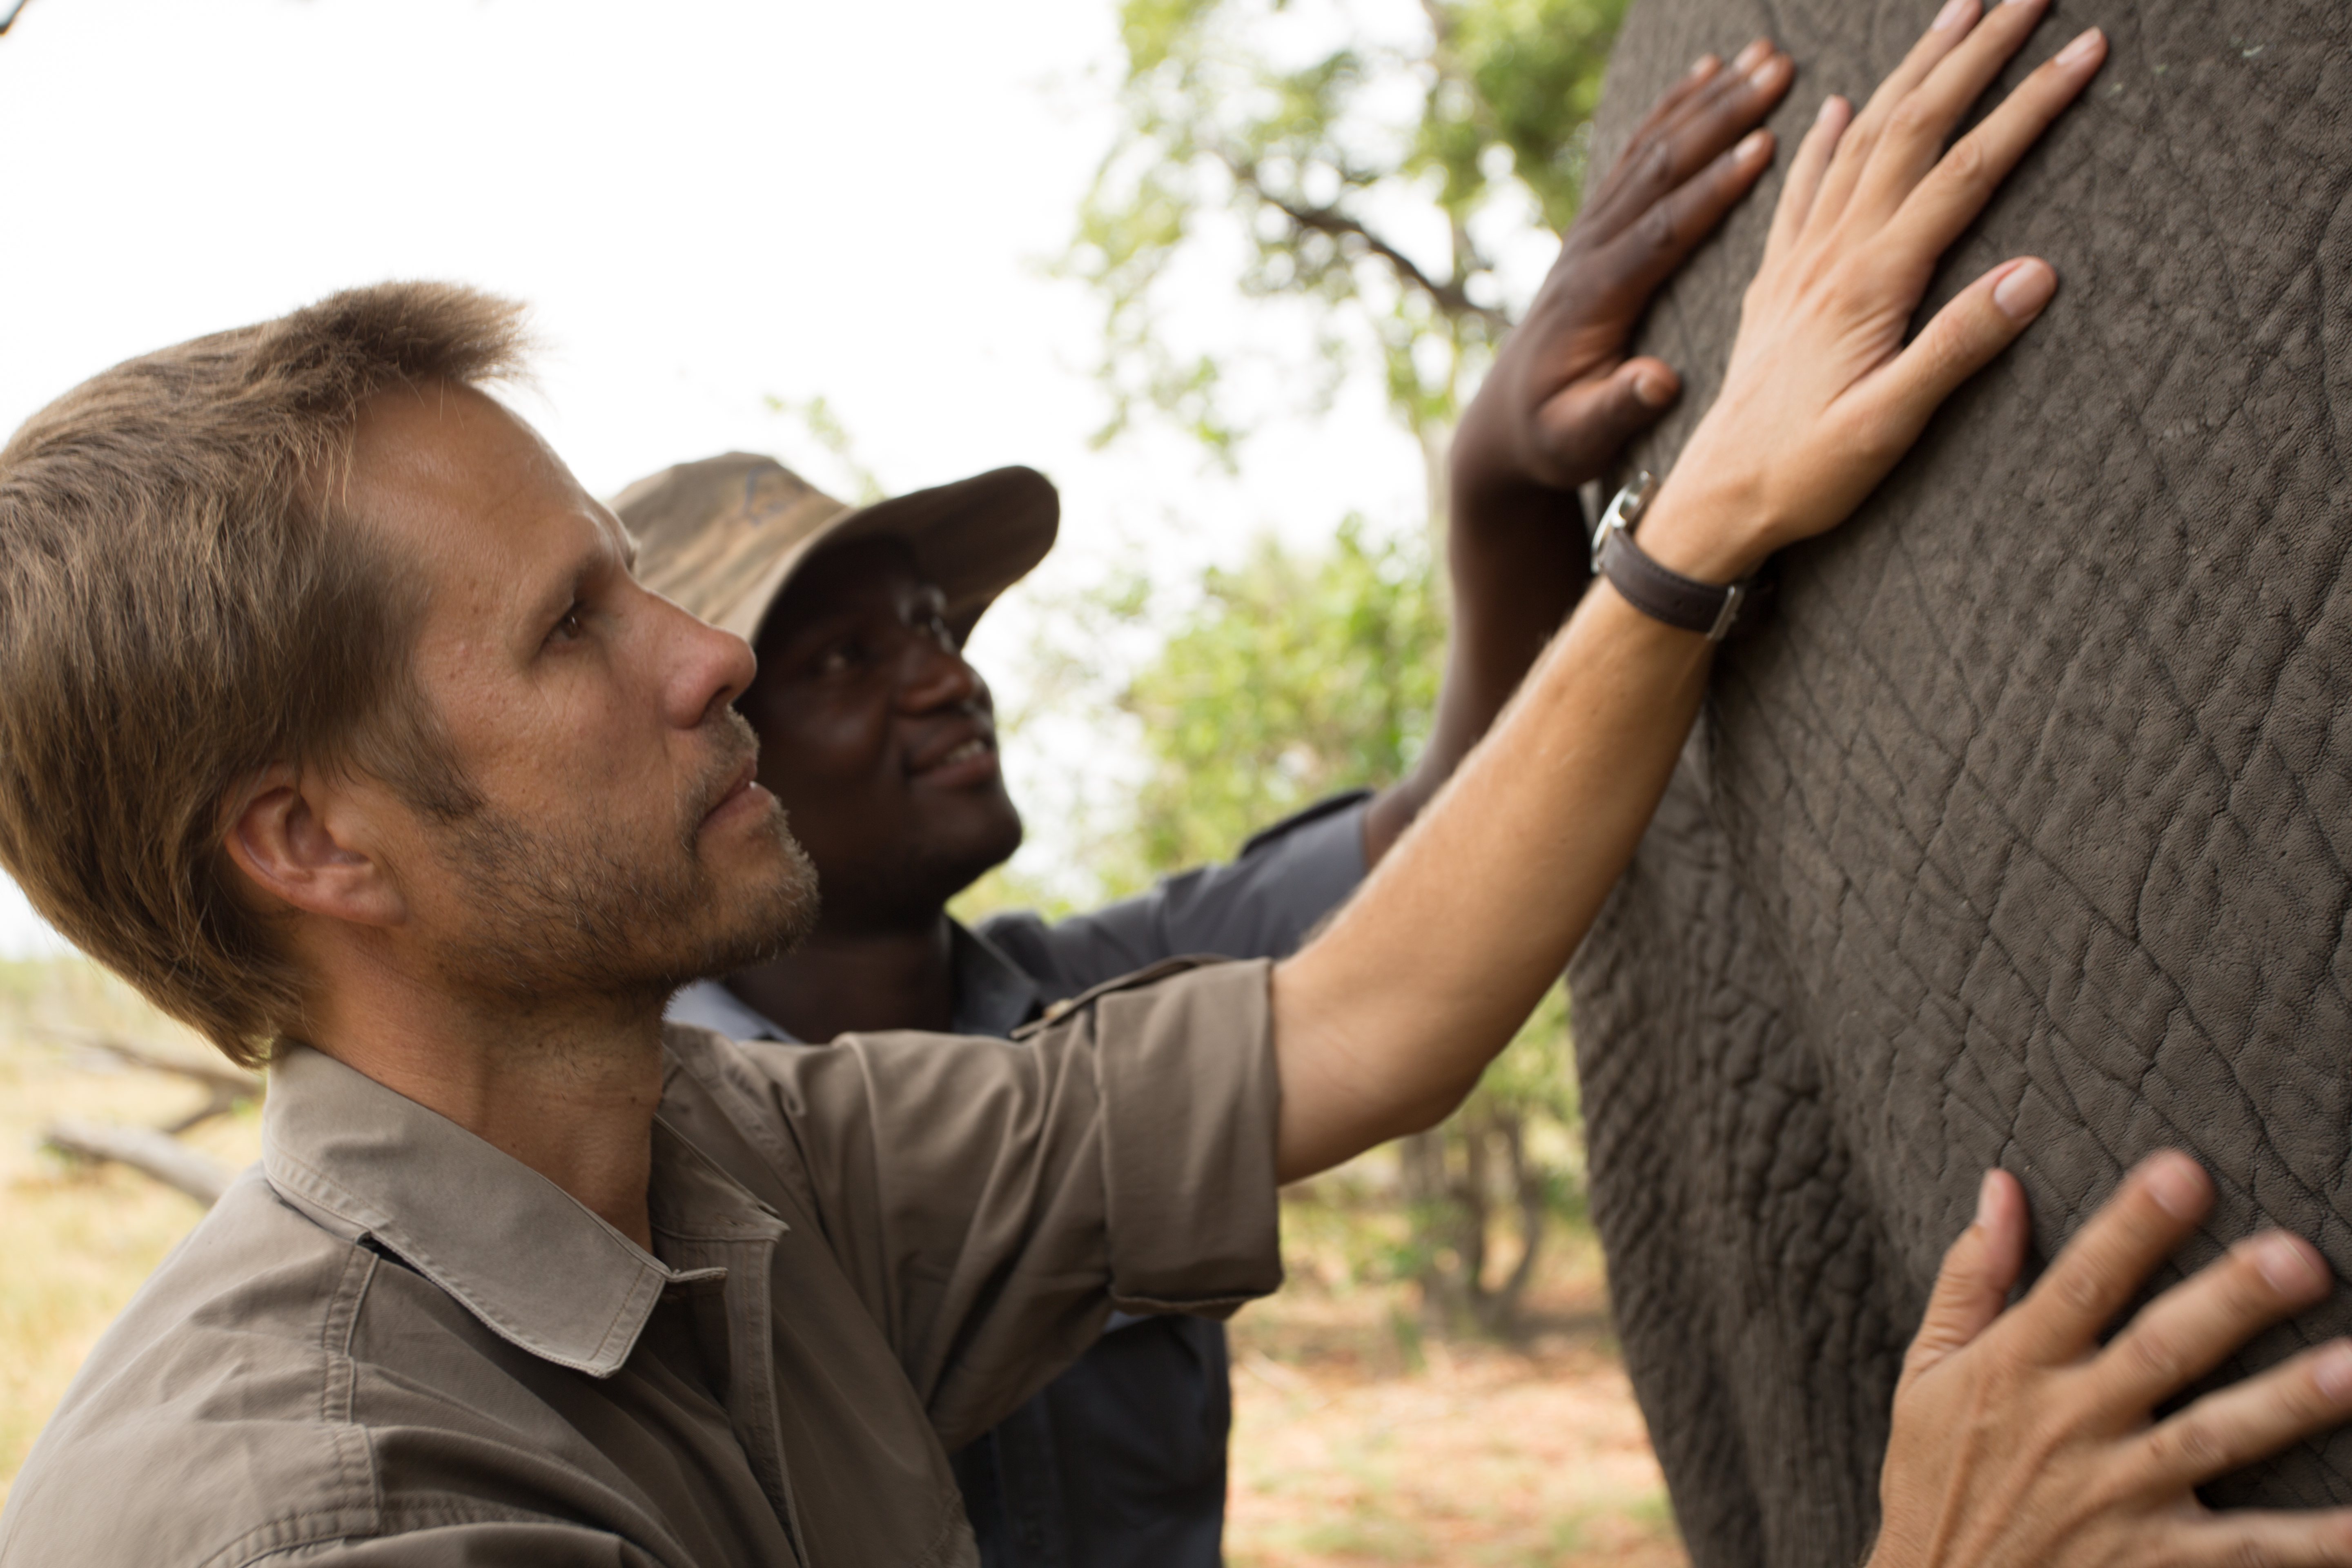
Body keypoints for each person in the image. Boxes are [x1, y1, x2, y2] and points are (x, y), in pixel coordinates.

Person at [3, 7, 2348, 1566]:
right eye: (572, 634)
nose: (706, 657)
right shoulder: (331, 1511)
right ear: (312, 847)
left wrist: (1685, 532)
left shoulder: (736, 1161)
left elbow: (1361, 1015)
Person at [611, 40, 1805, 1568]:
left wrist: (1495, 475)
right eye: (848, 655)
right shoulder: (649, 1143)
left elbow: (1455, 846)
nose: (944, 678)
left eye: (935, 624)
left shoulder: (1093, 996)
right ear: (714, 753)